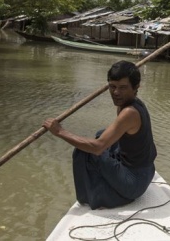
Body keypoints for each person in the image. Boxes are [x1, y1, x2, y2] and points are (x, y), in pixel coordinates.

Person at [43, 61, 157, 209]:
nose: (116, 92)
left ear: (136, 88)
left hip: (134, 183)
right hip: (147, 171)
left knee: (85, 151)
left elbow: (97, 148)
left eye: (123, 88)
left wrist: (60, 132)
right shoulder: (131, 104)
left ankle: (91, 197)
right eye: (112, 86)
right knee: (101, 134)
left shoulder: (129, 113)